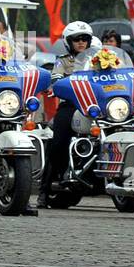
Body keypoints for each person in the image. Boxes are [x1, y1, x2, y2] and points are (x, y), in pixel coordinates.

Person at [38, 21, 95, 208]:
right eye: (77, 39)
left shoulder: (98, 59)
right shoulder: (62, 61)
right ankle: (44, 192)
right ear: (68, 42)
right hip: (70, 106)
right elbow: (55, 80)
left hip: (94, 107)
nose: (81, 42)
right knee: (58, 144)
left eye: (85, 39)